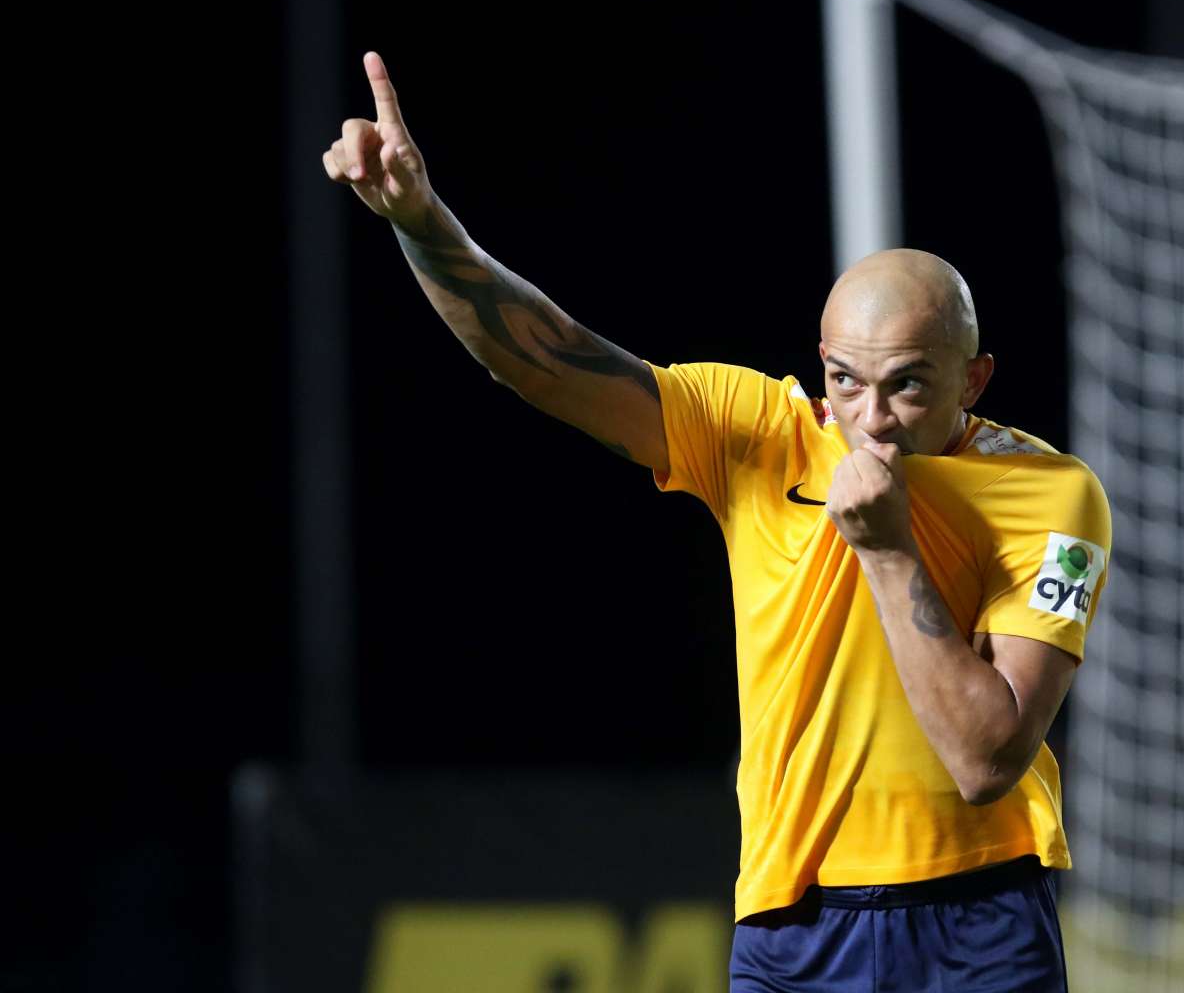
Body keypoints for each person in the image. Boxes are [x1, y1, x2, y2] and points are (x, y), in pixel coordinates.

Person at [325, 51, 1111, 992]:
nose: (870, 418)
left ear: (973, 380)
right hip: (796, 926)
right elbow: (546, 359)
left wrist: (889, 550)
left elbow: (987, 759)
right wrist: (421, 223)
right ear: (821, 363)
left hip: (978, 921)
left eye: (908, 386)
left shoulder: (1051, 496)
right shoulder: (759, 437)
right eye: (846, 381)